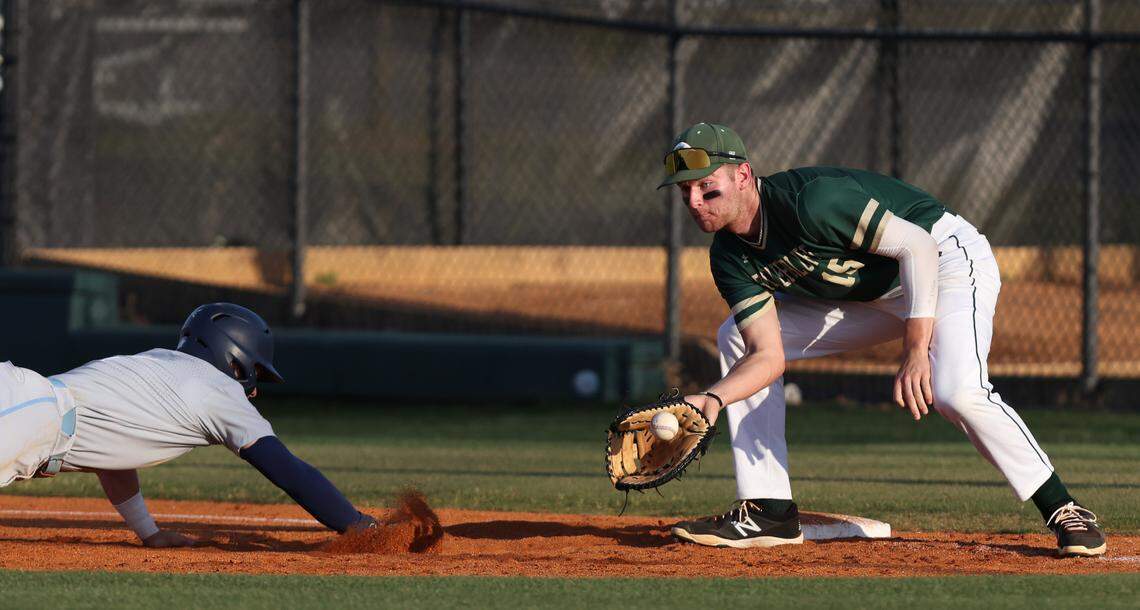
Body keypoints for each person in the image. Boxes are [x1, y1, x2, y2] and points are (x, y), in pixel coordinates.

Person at [659, 122, 1106, 557]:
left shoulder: (812, 202)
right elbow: (767, 355)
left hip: (945, 260)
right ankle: (769, 509)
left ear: (742, 176)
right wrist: (712, 400)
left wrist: (916, 350)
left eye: (707, 188)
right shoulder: (729, 256)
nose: (695, 202)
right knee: (735, 336)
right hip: (871, 296)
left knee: (955, 392)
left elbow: (917, 249)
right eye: (685, 193)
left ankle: (1063, 507)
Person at [0, 303, 374, 547]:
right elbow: (289, 471)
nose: (254, 390)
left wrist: (149, 532)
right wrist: (359, 524)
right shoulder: (220, 390)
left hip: (26, 405)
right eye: (255, 373)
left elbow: (114, 452)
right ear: (235, 359)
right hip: (27, 417)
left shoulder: (159, 364)